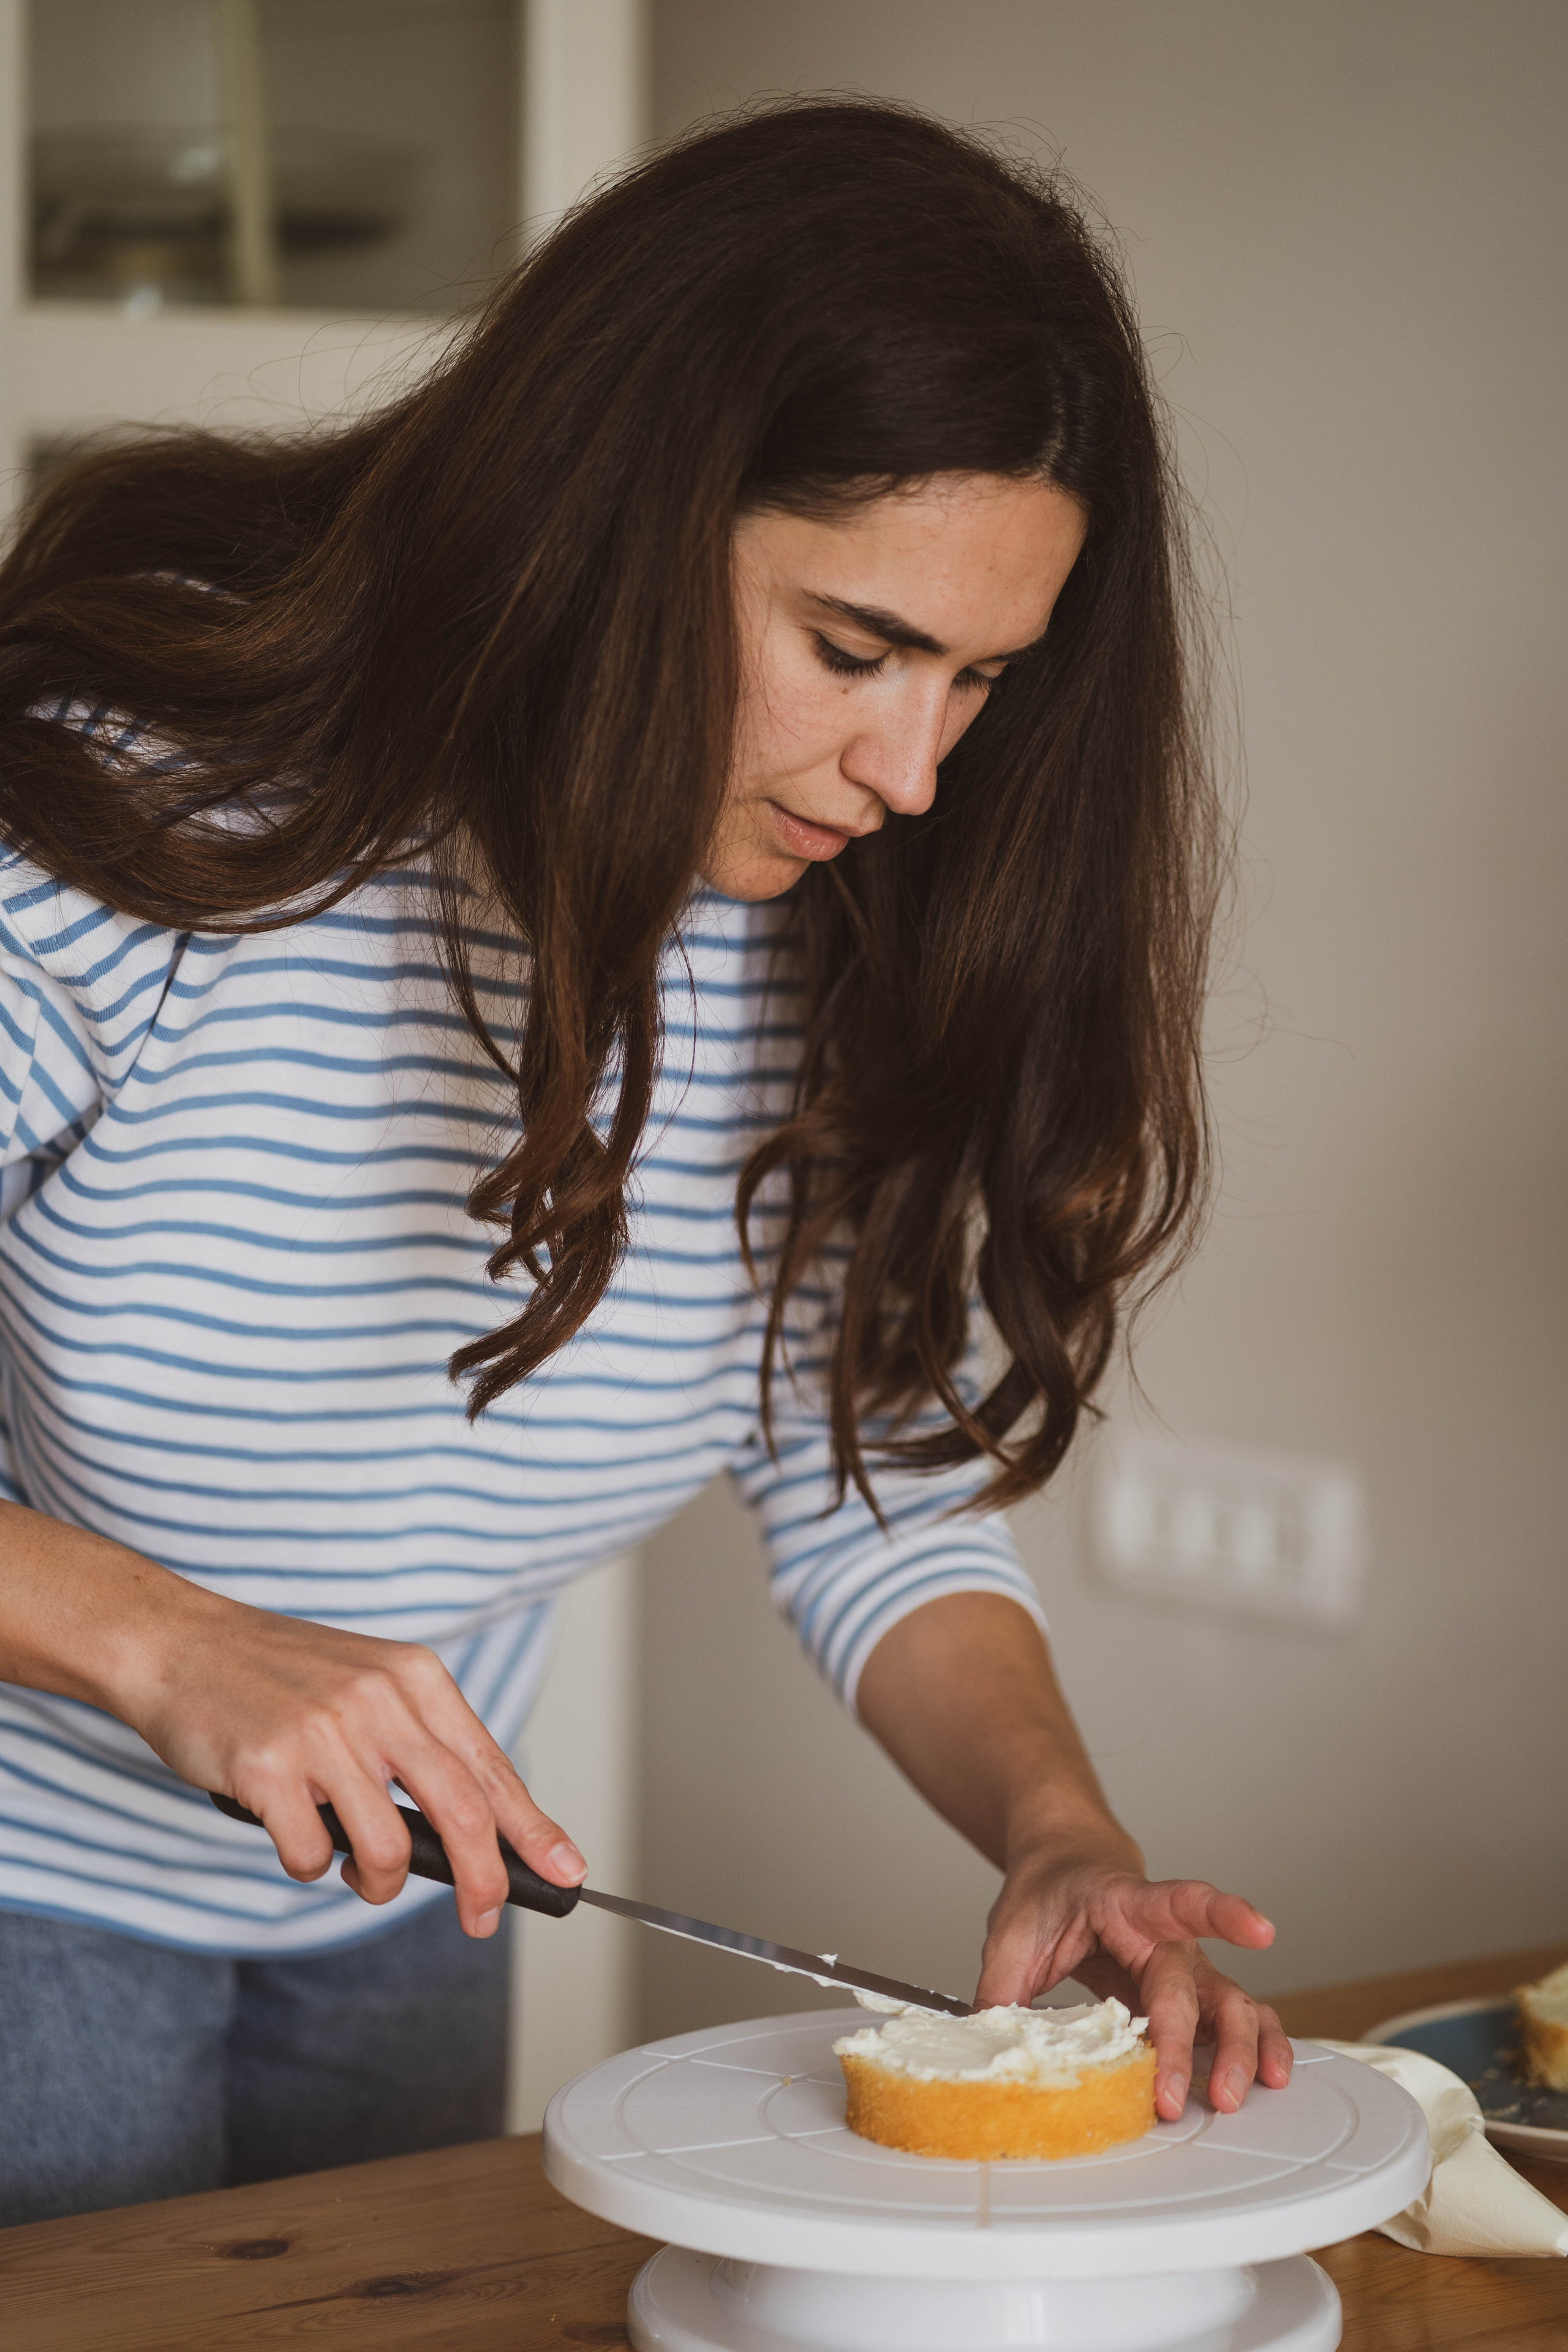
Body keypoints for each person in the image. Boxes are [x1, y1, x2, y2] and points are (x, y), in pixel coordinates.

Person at [0, 98, 1289, 2227]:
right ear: (602, 509)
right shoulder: (137, 830)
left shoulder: (833, 928)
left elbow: (860, 1487)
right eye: (853, 648)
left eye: (978, 681)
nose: (909, 769)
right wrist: (166, 1643)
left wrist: (1059, 1828)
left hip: (412, 1900)